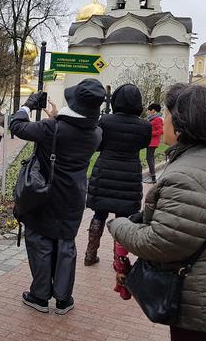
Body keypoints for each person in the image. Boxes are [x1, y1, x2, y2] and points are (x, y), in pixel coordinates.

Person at [108, 84, 206, 341]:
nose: (164, 120)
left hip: (203, 304)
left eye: (168, 114)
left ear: (182, 122)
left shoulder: (187, 176)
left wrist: (120, 226)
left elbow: (162, 243)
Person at [10, 79, 106, 315]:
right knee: (66, 245)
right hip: (73, 198)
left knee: (41, 243)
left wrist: (28, 106)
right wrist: (56, 118)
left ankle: (40, 297)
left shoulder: (50, 129)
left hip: (45, 196)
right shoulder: (96, 133)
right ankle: (63, 299)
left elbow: (17, 126)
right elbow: (72, 131)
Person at [85, 84, 151, 300]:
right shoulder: (145, 126)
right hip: (129, 173)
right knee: (123, 219)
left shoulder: (104, 121)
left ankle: (90, 253)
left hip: (105, 170)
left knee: (98, 214)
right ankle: (119, 260)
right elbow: (142, 145)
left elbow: (97, 145)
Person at [143, 102, 164, 183]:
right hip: (150, 141)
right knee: (150, 158)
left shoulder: (157, 119)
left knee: (149, 158)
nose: (148, 111)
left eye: (149, 110)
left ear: (153, 110)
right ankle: (153, 175)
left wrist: (150, 133)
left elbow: (160, 131)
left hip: (153, 142)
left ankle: (153, 176)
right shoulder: (152, 118)